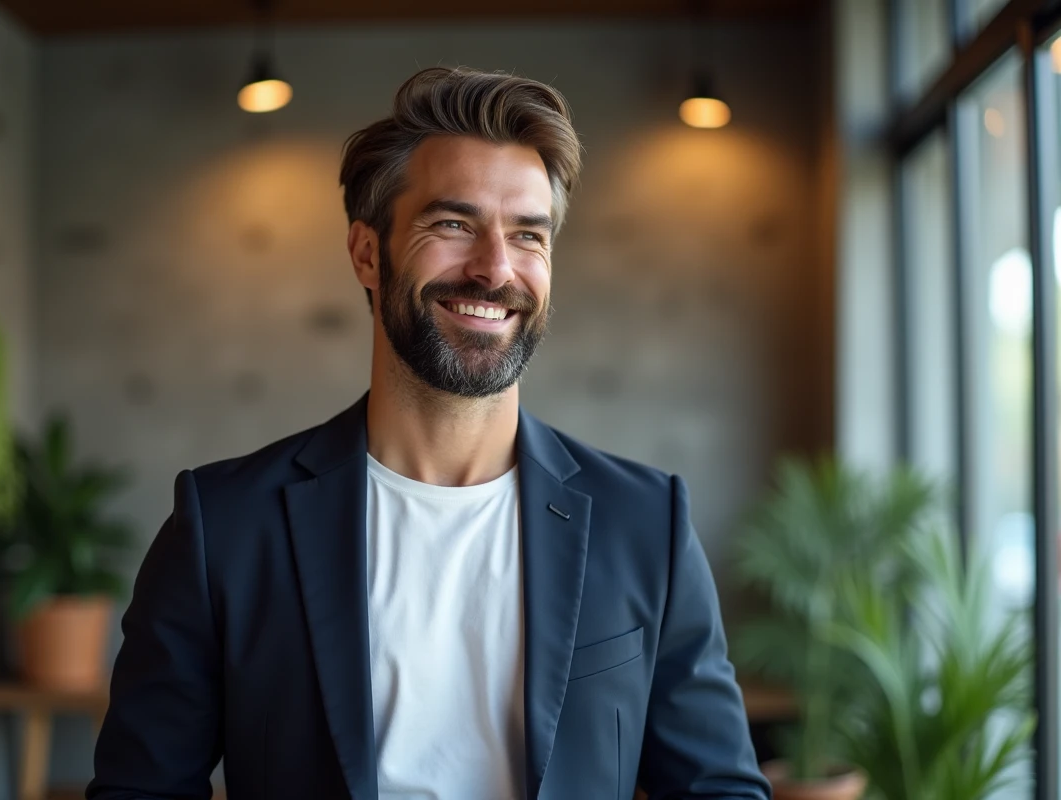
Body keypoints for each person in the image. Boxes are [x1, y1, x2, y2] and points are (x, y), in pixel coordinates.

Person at [87, 66, 770, 800]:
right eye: (453, 224)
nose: (495, 268)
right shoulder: (223, 526)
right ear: (366, 254)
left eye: (528, 235)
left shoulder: (646, 524)